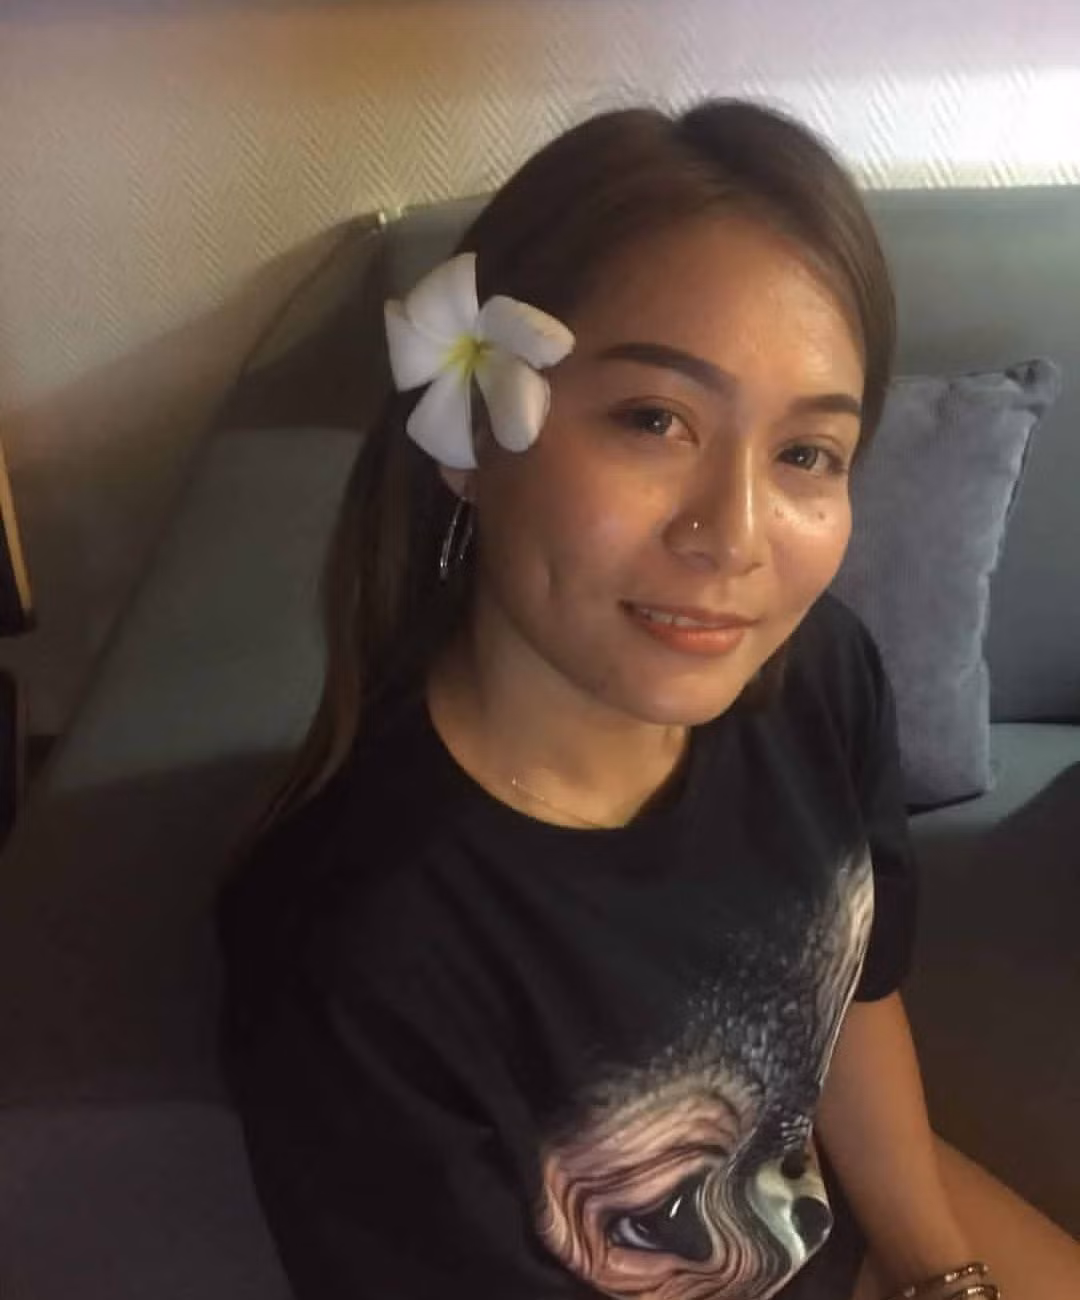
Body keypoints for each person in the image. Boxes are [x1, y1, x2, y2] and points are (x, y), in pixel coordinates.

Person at [216, 100, 1080, 1300]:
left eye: (805, 453)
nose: (733, 535)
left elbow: (846, 997)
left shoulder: (822, 675)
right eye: (654, 420)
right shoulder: (361, 944)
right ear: (471, 439)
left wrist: (947, 1276)